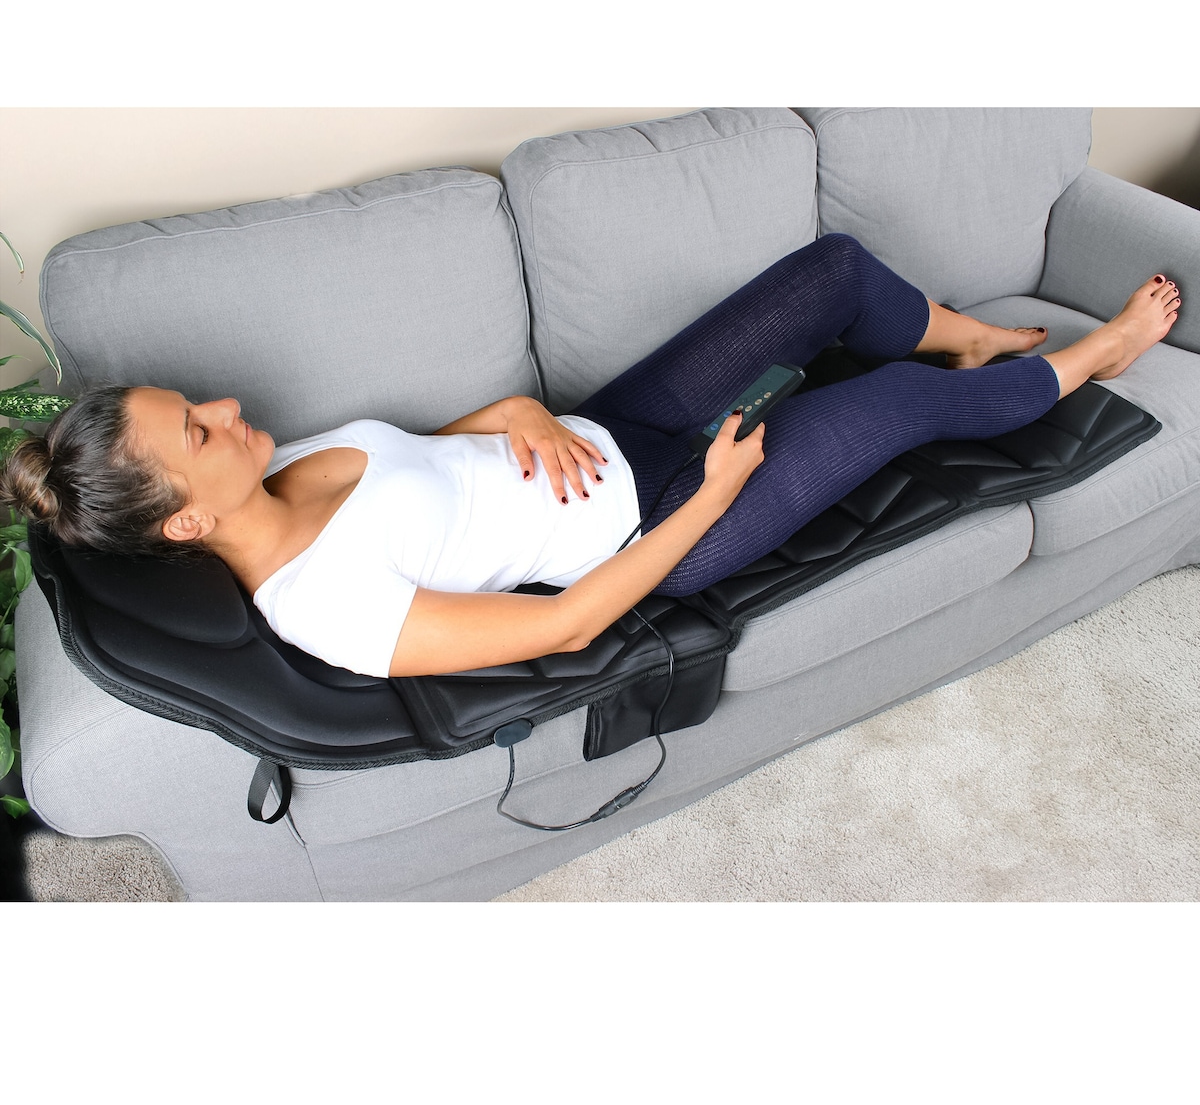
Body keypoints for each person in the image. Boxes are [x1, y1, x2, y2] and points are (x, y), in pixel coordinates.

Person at [1, 235, 1181, 680]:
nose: (223, 407)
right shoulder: (327, 610)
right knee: (899, 404)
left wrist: (519, 412)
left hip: (607, 428)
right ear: (186, 522)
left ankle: (969, 335)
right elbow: (568, 627)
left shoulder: (281, 465)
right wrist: (713, 494)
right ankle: (1100, 357)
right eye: (197, 430)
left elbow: (436, 450)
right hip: (660, 521)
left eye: (197, 404)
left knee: (828, 274)